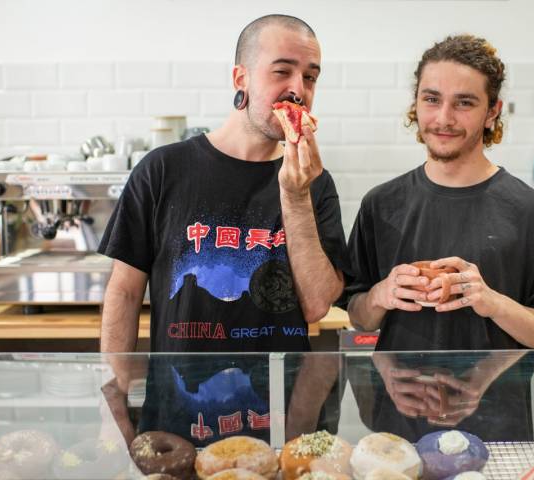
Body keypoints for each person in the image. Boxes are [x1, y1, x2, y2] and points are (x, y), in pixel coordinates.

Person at [98, 14, 349, 448]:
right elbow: (123, 293)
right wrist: (113, 402)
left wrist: (294, 195)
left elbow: (315, 306)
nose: (299, 89)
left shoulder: (314, 183)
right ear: (242, 78)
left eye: (310, 77)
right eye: (282, 71)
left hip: (280, 424)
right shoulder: (163, 170)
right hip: (178, 419)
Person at [342, 34, 534, 351]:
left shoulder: (532, 212)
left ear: (492, 112)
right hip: (399, 398)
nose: (444, 118)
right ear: (415, 102)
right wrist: (381, 294)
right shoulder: (381, 205)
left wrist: (493, 303)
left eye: (464, 103)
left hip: (495, 400)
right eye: (431, 99)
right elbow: (360, 317)